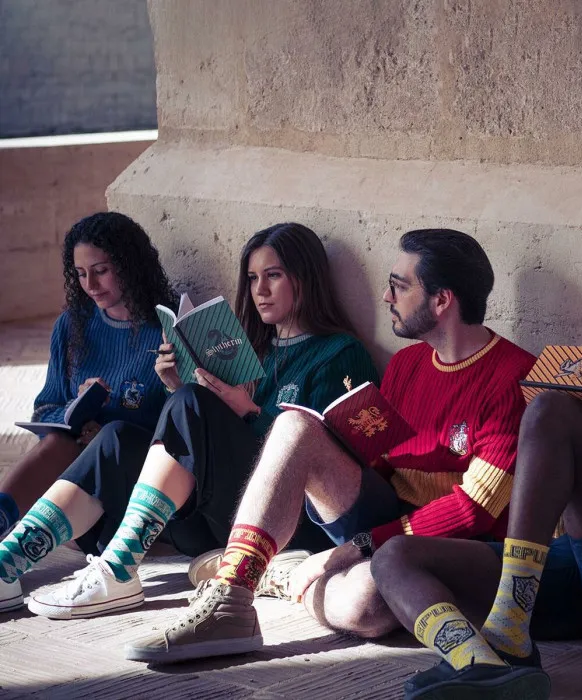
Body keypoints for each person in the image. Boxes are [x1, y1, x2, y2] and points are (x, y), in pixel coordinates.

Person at [121, 227, 537, 664]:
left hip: (452, 542)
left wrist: (355, 548)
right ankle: (231, 598)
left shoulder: (514, 377)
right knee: (294, 425)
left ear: (442, 300)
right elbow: (382, 462)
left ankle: (286, 576)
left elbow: (474, 511)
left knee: (366, 606)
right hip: (387, 521)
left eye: (398, 286)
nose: (386, 297)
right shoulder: (407, 363)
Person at [0, 222, 378, 618]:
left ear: (306, 278)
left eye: (273, 276)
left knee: (191, 402)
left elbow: (324, 463)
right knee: (117, 437)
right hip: (213, 521)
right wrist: (177, 386)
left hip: (285, 525)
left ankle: (118, 570)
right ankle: (8, 563)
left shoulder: (340, 353)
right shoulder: (253, 348)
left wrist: (246, 411)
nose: (260, 290)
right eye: (252, 278)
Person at [369, 266, 582, 699]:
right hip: (552, 575)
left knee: (550, 410)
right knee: (392, 558)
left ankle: (507, 634)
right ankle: (483, 662)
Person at [0, 212, 175, 611]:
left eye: (101, 271)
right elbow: (46, 408)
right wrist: (75, 409)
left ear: (129, 265)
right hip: (75, 502)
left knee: (112, 437)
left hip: (137, 496)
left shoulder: (166, 325)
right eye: (80, 274)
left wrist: (109, 429)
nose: (90, 285)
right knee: (60, 441)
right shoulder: (72, 325)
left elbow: (182, 427)